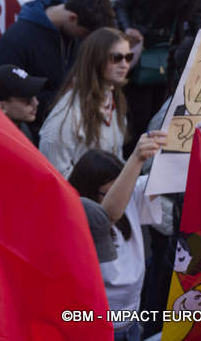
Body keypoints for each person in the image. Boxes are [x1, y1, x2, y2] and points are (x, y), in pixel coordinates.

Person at [68, 134, 165, 341]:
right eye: (110, 191)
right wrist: (137, 157)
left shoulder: (129, 192)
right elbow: (108, 215)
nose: (123, 196)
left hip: (131, 322)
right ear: (88, 192)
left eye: (123, 186)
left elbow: (170, 174)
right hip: (96, 328)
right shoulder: (78, 216)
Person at [116, 0, 201, 148]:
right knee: (138, 117)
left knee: (158, 117)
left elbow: (197, 24)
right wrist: (129, 28)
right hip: (142, 54)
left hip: (169, 60)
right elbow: (121, 6)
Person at [0, 0, 115, 132]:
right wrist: (65, 95)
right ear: (72, 18)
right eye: (84, 34)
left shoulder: (78, 28)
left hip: (70, 126)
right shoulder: (16, 39)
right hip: (34, 133)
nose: (85, 40)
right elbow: (7, 98)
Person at [39, 27, 131, 177]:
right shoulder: (67, 115)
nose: (124, 64)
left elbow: (116, 161)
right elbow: (56, 176)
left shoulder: (113, 101)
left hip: (105, 196)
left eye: (128, 57)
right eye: (116, 57)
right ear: (96, 59)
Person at [0, 64, 46, 146]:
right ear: (2, 107)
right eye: (27, 99)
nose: (36, 103)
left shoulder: (23, 129)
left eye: (34, 96)